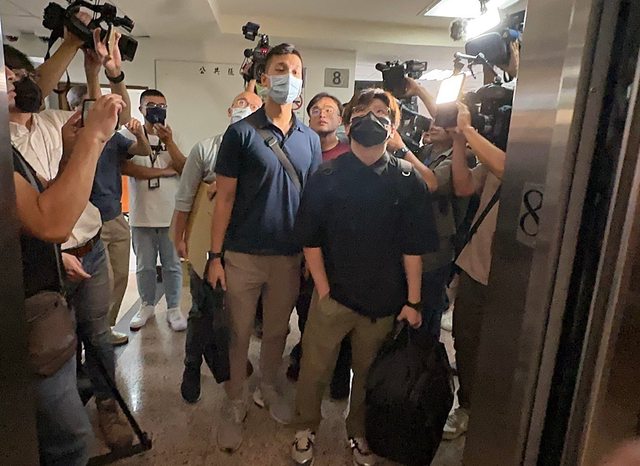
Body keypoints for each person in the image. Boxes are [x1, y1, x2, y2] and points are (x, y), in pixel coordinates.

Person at [279, 88, 438, 466]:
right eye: (362, 113)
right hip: (333, 297)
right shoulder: (326, 176)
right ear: (348, 125)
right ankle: (305, 428)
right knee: (314, 369)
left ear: (393, 127)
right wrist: (322, 289)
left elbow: (413, 248)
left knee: (368, 374)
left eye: (381, 114)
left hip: (383, 302)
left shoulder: (407, 180)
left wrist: (413, 301)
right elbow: (310, 240)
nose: (371, 119)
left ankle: (359, 431)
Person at [7, 32, 133, 451]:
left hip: (90, 249)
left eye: (23, 74)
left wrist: (106, 74)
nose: (18, 83)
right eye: (10, 76)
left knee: (98, 336)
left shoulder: (53, 121)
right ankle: (66, 420)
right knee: (55, 353)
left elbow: (114, 118)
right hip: (46, 264)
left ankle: (108, 408)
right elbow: (43, 220)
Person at [206, 43, 322, 452]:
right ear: (263, 77)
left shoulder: (310, 139)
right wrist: (215, 257)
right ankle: (235, 399)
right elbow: (223, 199)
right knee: (239, 333)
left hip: (288, 257)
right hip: (242, 256)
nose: (288, 77)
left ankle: (267, 386)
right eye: (280, 68)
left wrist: (311, 255)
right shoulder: (241, 133)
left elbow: (312, 202)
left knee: (276, 331)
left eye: (295, 71)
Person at [443, 32, 520, 440]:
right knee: (466, 339)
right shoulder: (491, 154)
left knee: (506, 348)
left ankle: (498, 413)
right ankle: (468, 406)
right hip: (477, 264)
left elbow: (514, 170)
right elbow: (464, 186)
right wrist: (459, 142)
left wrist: (470, 132)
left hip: (515, 271)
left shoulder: (525, 156)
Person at [173, 89, 262, 403]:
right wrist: (178, 236)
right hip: (206, 241)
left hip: (246, 246)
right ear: (229, 111)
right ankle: (192, 365)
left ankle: (227, 363)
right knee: (202, 309)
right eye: (241, 103)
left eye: (253, 106)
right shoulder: (206, 149)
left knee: (233, 312)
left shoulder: (264, 151)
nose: (245, 108)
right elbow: (185, 197)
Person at [65, 37, 153, 347]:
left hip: (114, 216)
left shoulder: (112, 138)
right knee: (95, 283)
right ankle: (88, 334)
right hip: (83, 221)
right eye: (88, 106)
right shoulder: (69, 137)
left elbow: (142, 150)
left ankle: (105, 328)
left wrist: (139, 133)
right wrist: (93, 73)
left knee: (119, 278)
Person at [287, 92, 352, 401]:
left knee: (342, 312)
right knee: (307, 309)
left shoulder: (351, 155)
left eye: (329, 110)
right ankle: (306, 354)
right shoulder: (299, 151)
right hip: (303, 245)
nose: (321, 114)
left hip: (340, 251)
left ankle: (339, 372)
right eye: (315, 109)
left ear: (340, 119)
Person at [124, 89, 188, 332]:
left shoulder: (175, 135)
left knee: (172, 265)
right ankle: (146, 305)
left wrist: (169, 142)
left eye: (162, 106)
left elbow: (184, 169)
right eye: (151, 105)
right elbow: (129, 169)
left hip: (170, 214)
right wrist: (162, 171)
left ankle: (174, 308)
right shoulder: (130, 136)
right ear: (141, 109)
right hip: (141, 214)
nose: (157, 110)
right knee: (145, 266)